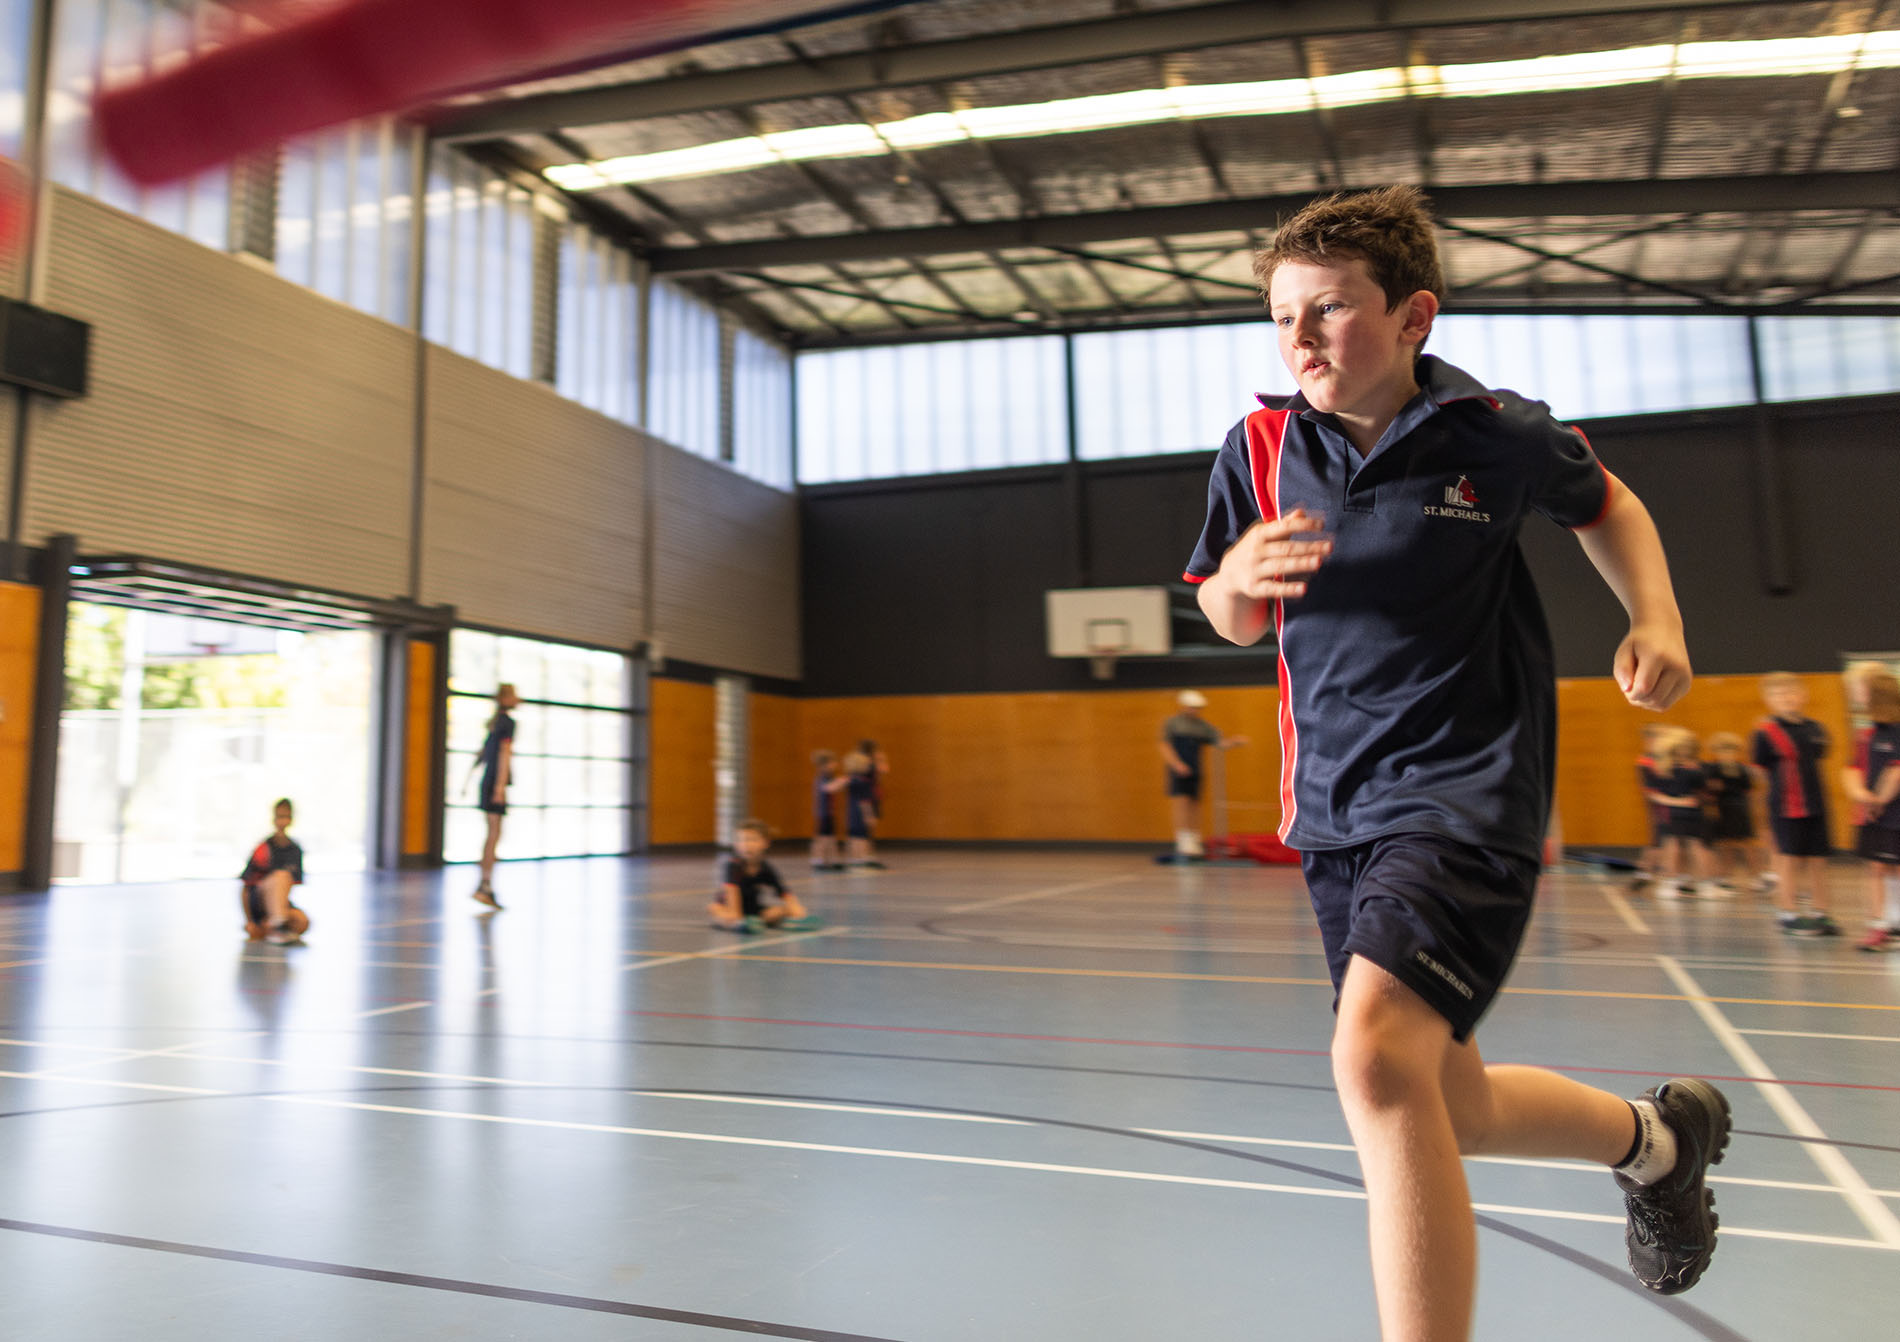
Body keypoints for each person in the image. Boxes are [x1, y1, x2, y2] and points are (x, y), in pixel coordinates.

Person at [1186, 185, 1728, 1339]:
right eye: (1283, 314)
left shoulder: (1495, 431)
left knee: (1375, 1064)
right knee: (1449, 1102)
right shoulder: (1260, 445)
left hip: (1467, 792)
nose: (1300, 337)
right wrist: (1237, 576)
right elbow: (1227, 616)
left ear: (1412, 315)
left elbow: (1607, 501)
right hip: (1333, 811)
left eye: (1329, 310)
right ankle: (1659, 1140)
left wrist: (1660, 617)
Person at [1751, 673, 1837, 936]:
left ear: (1802, 695)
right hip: (1785, 807)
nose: (1786, 698)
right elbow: (1761, 770)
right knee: (1787, 861)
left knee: (1818, 860)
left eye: (1791, 693)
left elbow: (1821, 756)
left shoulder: (1816, 729)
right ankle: (1788, 912)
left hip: (1816, 804)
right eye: (1778, 695)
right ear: (1769, 700)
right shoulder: (1765, 732)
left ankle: (1820, 913)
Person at [1845, 667, 1900, 952]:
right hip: (1875, 815)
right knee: (1880, 868)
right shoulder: (1867, 733)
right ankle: (1885, 924)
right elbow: (1852, 768)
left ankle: (1883, 926)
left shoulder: (1895, 731)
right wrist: (1861, 795)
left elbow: (1895, 772)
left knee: (1883, 870)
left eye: (1859, 689)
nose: (1855, 695)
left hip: (1891, 815)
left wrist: (1879, 800)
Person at [1158, 690, 1245, 861]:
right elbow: (1164, 745)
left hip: (1195, 766)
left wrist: (1234, 742)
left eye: (1197, 708)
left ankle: (1194, 837)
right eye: (1192, 707)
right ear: (1183, 706)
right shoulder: (1173, 724)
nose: (1195, 710)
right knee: (1182, 801)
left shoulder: (1202, 726)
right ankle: (1183, 838)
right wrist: (1176, 764)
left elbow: (1219, 742)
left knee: (1195, 802)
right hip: (1179, 767)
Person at [708, 819, 819, 933]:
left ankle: (756, 923)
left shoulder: (766, 868)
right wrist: (738, 918)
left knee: (781, 910)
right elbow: (732, 891)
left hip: (754, 911)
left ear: (765, 843)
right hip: (730, 908)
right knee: (716, 910)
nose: (747, 845)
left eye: (753, 840)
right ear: (736, 845)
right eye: (742, 840)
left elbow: (784, 893)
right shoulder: (733, 866)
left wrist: (799, 913)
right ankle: (740, 925)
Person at [1645, 730, 1718, 897]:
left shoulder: (1685, 771)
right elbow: (1655, 795)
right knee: (1680, 846)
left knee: (1689, 846)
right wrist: (1679, 802)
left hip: (1687, 813)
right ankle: (1678, 883)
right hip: (1679, 812)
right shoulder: (1666, 771)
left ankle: (1694, 884)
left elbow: (1655, 794)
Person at [469, 683, 519, 910]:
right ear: (506, 698)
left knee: (492, 834)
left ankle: (485, 884)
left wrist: (467, 780)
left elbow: (481, 754)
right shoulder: (507, 723)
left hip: (486, 783)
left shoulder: (494, 723)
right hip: (494, 784)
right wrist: (500, 786)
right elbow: (503, 753)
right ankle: (484, 885)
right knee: (494, 834)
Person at [241, 798, 309, 945]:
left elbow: (288, 887)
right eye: (279, 816)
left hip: (278, 906)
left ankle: (271, 926)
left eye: (286, 816)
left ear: (291, 820)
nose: (282, 821)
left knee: (302, 921)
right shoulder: (263, 848)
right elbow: (246, 888)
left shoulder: (295, 850)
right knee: (281, 876)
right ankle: (275, 926)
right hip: (259, 902)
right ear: (274, 819)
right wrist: (250, 921)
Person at [1703, 731, 1765, 890]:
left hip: (1739, 808)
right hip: (1722, 808)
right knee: (1726, 845)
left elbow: (1750, 789)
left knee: (1747, 844)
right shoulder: (1713, 768)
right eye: (1723, 750)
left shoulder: (1742, 769)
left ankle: (1757, 876)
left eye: (1731, 750)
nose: (1727, 754)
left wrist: (1755, 807)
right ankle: (1725, 877)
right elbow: (1709, 789)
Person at [841, 748, 886, 870]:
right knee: (861, 836)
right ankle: (860, 858)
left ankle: (855, 858)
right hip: (860, 812)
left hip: (851, 811)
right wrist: (869, 815)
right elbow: (865, 801)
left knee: (854, 835)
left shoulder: (851, 780)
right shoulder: (863, 781)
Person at [809, 749, 848, 871]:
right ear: (824, 765)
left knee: (830, 837)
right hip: (822, 812)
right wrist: (843, 781)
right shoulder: (822, 777)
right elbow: (828, 789)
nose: (835, 765)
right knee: (822, 837)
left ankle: (832, 860)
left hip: (829, 812)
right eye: (833, 762)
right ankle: (818, 860)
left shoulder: (830, 776)